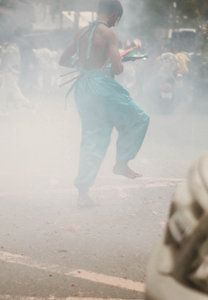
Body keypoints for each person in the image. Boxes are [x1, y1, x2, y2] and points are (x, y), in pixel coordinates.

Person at [59, 0, 150, 207]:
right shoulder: (109, 34)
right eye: (117, 18)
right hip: (101, 86)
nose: (116, 22)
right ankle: (122, 162)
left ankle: (83, 193)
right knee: (139, 119)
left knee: (93, 138)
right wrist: (113, 62)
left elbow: (63, 60)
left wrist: (83, 66)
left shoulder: (81, 32)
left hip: (83, 87)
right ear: (114, 15)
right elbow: (117, 69)